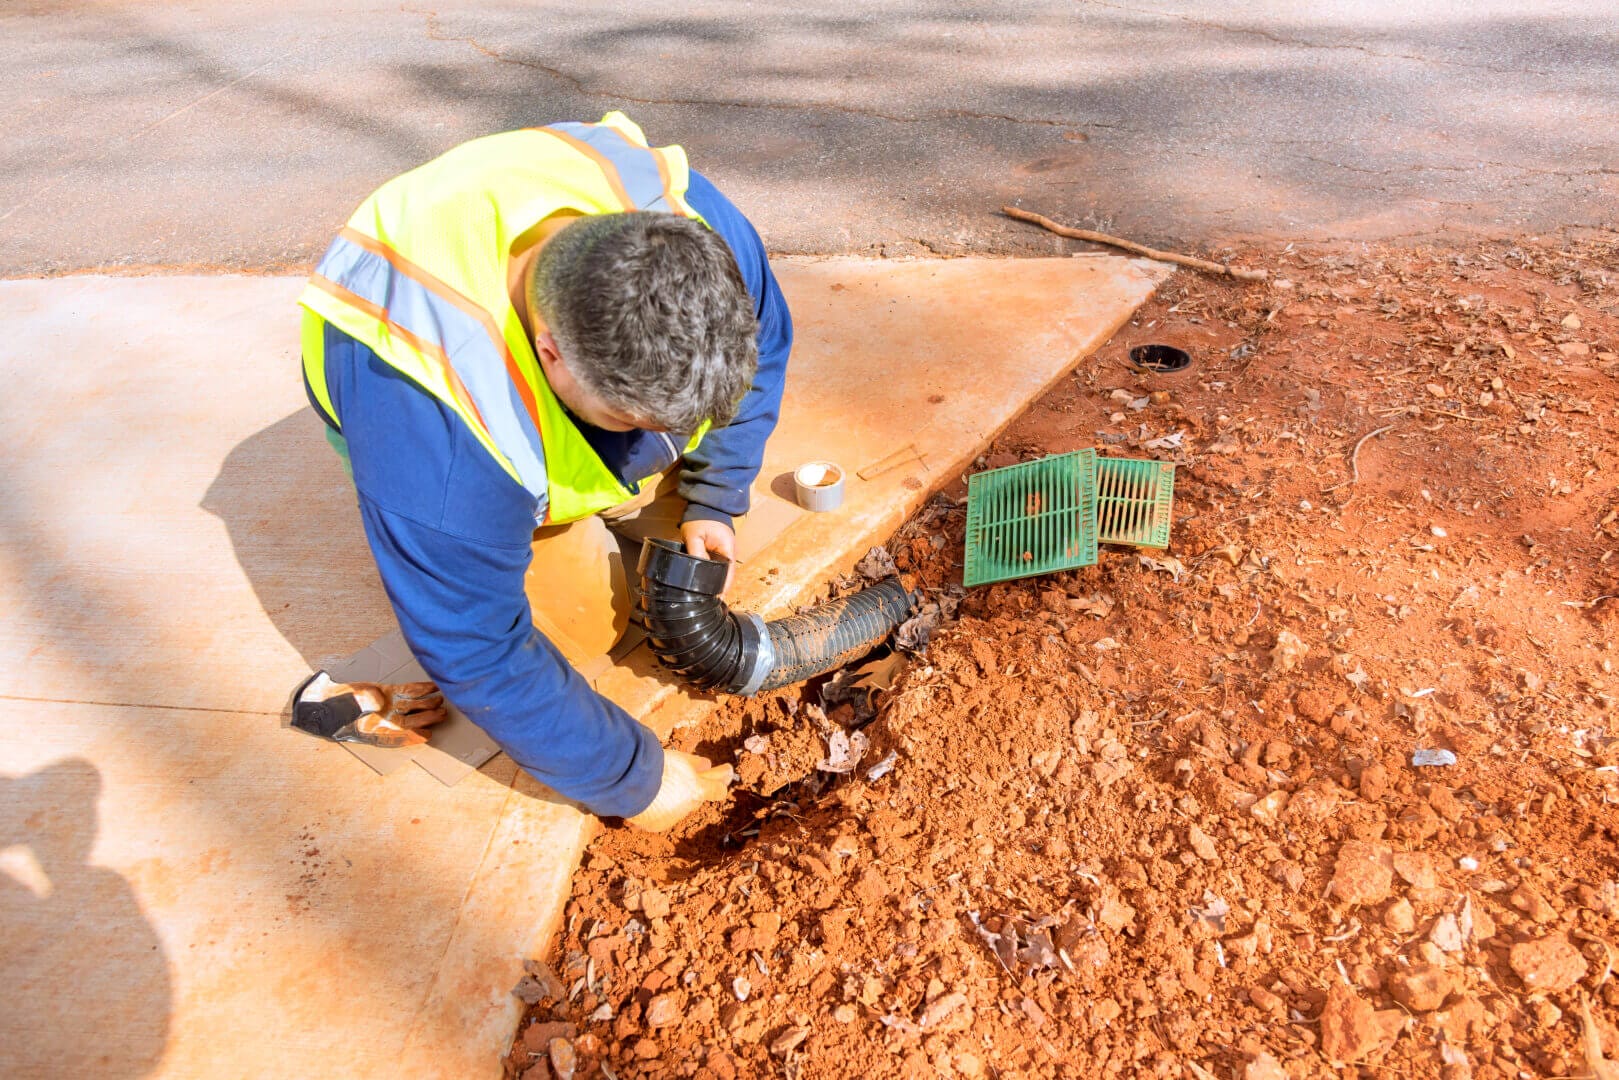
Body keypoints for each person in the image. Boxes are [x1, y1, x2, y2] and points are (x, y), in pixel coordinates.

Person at [293, 113, 792, 831]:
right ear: (551, 352)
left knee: (665, 477)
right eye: (635, 421)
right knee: (579, 633)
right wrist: (635, 779)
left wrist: (714, 495)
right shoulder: (438, 441)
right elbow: (475, 644)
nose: (669, 440)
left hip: (546, 383)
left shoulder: (692, 225)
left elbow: (764, 348)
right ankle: (557, 514)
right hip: (427, 414)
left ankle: (610, 467)